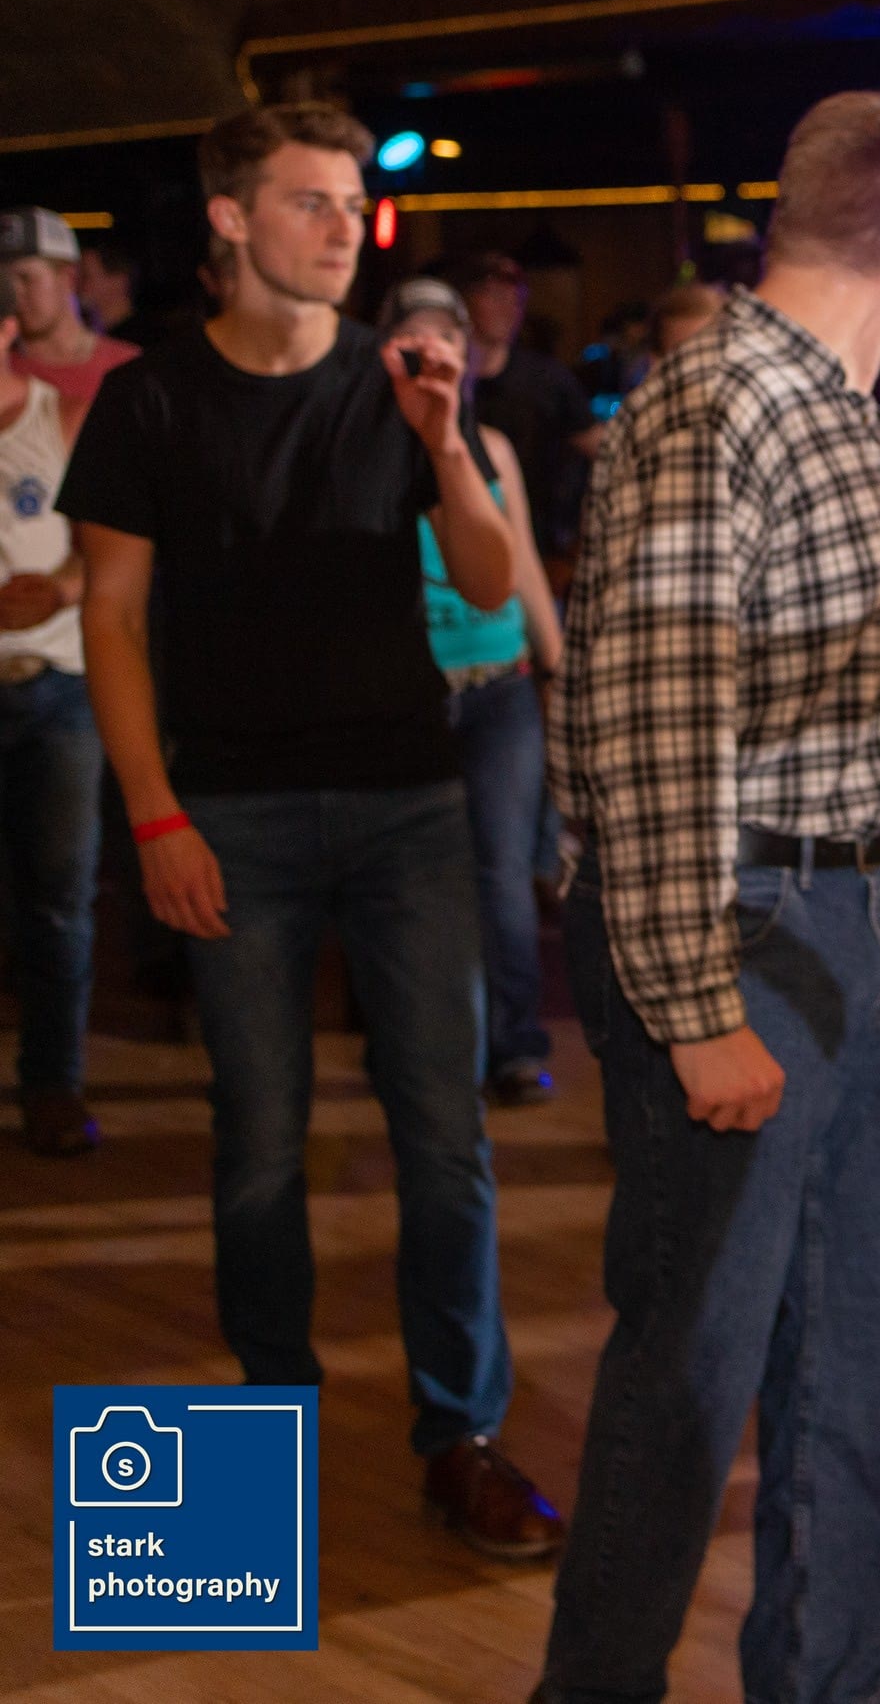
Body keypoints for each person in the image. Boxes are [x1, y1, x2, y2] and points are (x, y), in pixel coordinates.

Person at [61, 104, 561, 1556]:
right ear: (230, 219)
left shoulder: (393, 383)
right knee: (260, 1144)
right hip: (233, 814)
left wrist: (445, 441)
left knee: (446, 1134)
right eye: (312, 202)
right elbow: (111, 619)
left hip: (408, 806)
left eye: (355, 204)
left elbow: (486, 577)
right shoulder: (151, 400)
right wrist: (156, 817)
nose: (347, 228)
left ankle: (460, 1432)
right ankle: (263, 1428)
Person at [537, 92, 880, 1704]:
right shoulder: (717, 401)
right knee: (692, 1366)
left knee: (858, 1346)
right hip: (738, 925)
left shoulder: (836, 406)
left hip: (854, 919)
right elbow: (652, 730)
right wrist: (694, 1002)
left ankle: (830, 1676)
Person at [384, 278, 566, 1106]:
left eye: (446, 339)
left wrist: (557, 667)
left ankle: (516, 1046)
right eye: (413, 340)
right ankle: (427, 1047)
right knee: (414, 877)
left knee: (502, 873)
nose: (434, 355)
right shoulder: (376, 448)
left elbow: (520, 557)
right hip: (410, 693)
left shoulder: (489, 447)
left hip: (499, 687)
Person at [1, 305, 99, 1155]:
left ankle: (53, 1083)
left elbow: (108, 549)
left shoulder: (60, 418)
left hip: (56, 686)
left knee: (59, 897)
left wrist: (59, 590)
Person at [446, 249, 596, 555]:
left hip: (536, 543)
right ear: (464, 302)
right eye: (496, 297)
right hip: (456, 536)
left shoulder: (547, 379)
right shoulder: (442, 379)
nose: (509, 309)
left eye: (516, 300)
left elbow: (600, 445)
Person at [6, 205, 139, 438]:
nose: (15, 294)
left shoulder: (128, 367)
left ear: (68, 277)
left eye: (26, 278)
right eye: (4, 284)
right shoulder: (5, 377)